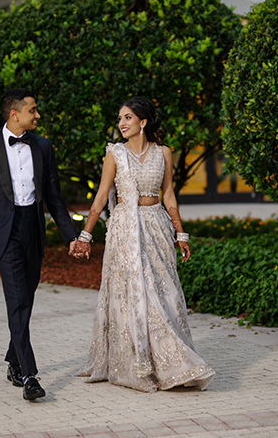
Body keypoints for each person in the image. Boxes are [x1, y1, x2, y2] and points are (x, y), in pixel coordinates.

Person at [74, 97, 215, 392]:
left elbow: (169, 195)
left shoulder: (163, 152)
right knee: (137, 294)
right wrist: (85, 235)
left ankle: (169, 362)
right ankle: (146, 364)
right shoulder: (115, 154)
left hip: (156, 227)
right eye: (120, 119)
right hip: (125, 229)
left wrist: (180, 233)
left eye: (127, 118)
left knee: (165, 294)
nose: (122, 124)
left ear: (143, 122)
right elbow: (101, 197)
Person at [0, 88, 80, 401]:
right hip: (3, 233)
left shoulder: (42, 146)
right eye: (33, 110)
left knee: (25, 298)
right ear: (14, 114)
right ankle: (29, 375)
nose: (38, 115)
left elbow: (54, 197)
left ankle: (13, 359)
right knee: (17, 301)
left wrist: (71, 235)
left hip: (33, 227)